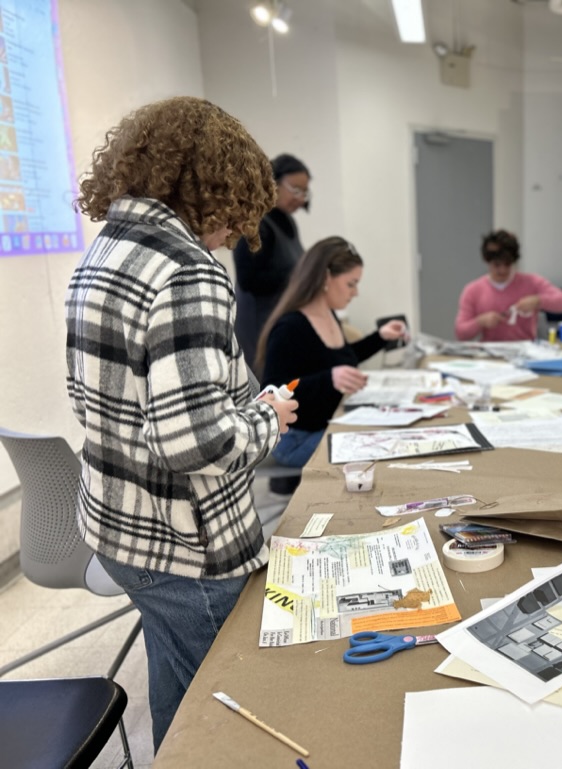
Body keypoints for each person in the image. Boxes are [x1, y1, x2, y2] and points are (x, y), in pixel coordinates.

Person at [66, 97, 299, 751]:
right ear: (210, 190)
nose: (232, 235)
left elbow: (115, 401)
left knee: (180, 684)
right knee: (228, 712)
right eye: (233, 216)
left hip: (119, 524)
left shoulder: (106, 251)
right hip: (186, 544)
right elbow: (194, 441)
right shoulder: (187, 272)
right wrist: (267, 417)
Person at [259, 236, 408, 470]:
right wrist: (329, 379)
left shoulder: (328, 315)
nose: (355, 292)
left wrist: (381, 336)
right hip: (296, 439)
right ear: (326, 277)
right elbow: (272, 393)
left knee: (393, 435)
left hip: (328, 425)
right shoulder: (290, 327)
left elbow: (341, 359)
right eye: (351, 284)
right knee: (382, 449)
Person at [233, 152, 311, 374]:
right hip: (260, 328)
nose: (300, 198)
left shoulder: (287, 221)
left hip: (282, 323)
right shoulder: (256, 223)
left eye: (304, 192)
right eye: (295, 189)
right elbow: (249, 279)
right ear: (273, 182)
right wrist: (298, 276)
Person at [455, 229, 562, 342]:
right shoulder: (473, 290)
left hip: (525, 350)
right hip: (489, 356)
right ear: (487, 261)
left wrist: (538, 301)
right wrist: (480, 322)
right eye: (497, 265)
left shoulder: (532, 283)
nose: (502, 270)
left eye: (507, 264)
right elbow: (460, 333)